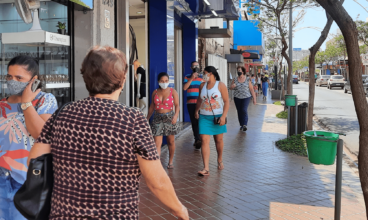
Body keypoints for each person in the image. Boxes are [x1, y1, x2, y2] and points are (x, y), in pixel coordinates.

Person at [28, 46, 188, 220]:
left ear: (85, 76)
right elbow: (156, 181)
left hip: (64, 214)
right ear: (123, 78)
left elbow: (34, 160)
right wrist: (179, 209)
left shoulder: (62, 113)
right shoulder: (132, 119)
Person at [0, 55, 58, 220]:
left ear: (34, 80)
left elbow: (41, 134)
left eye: (19, 77)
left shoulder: (44, 101)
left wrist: (26, 104)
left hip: (28, 180)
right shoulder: (2, 105)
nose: (13, 81)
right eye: (9, 76)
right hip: (2, 178)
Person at [195, 66, 229, 176]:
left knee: (218, 141)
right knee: (204, 140)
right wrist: (196, 111)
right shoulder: (202, 85)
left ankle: (219, 159)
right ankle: (206, 168)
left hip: (217, 117)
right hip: (204, 117)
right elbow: (200, 100)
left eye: (205, 73)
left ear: (211, 74)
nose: (203, 75)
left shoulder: (220, 85)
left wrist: (223, 116)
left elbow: (227, 101)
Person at [147, 72, 180, 169]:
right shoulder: (155, 92)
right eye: (162, 81)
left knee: (170, 141)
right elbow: (152, 106)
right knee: (157, 142)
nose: (164, 83)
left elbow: (177, 105)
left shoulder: (172, 91)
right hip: (157, 117)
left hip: (169, 117)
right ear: (158, 81)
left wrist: (176, 116)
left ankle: (170, 161)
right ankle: (157, 163)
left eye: (166, 81)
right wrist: (147, 118)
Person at [183, 61, 204, 149]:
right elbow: (185, 88)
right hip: (191, 103)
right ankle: (197, 139)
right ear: (191, 68)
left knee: (200, 121)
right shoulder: (187, 77)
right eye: (194, 66)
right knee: (194, 121)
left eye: (197, 66)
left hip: (201, 103)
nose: (195, 68)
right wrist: (191, 78)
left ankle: (201, 139)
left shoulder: (203, 78)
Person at [230, 66, 257, 131]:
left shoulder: (247, 79)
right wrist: (232, 86)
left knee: (244, 110)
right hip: (237, 97)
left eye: (239, 70)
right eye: (238, 70)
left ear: (243, 71)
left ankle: (245, 124)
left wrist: (254, 98)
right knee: (239, 111)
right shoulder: (235, 79)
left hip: (246, 97)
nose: (238, 71)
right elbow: (230, 87)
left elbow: (251, 89)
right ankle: (241, 124)